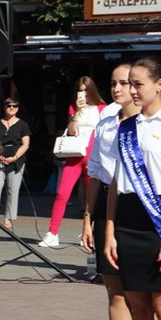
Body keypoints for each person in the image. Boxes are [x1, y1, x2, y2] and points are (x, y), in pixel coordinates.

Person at [104, 58, 161, 320]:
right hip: (129, 220)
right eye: (128, 83)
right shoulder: (126, 128)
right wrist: (110, 230)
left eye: (138, 84)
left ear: (160, 84)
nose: (131, 90)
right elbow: (116, 182)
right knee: (139, 309)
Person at [80, 64, 141, 320]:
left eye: (125, 83)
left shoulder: (151, 125)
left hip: (141, 207)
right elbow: (94, 173)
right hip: (106, 204)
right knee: (115, 291)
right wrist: (89, 218)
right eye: (114, 83)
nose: (118, 89)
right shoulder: (104, 125)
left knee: (143, 293)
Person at [40, 76, 105, 248]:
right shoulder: (73, 107)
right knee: (62, 193)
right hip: (75, 152)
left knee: (91, 197)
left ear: (91, 90)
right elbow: (70, 130)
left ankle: (88, 231)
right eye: (80, 89)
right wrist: (76, 111)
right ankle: (52, 233)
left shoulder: (102, 108)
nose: (83, 93)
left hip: (93, 154)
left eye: (85, 89)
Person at [0, 98, 31, 231]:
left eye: (15, 105)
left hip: (16, 159)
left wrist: (14, 158)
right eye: (9, 105)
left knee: (12, 189)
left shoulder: (23, 125)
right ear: (4, 107)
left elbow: (26, 144)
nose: (11, 108)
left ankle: (9, 217)